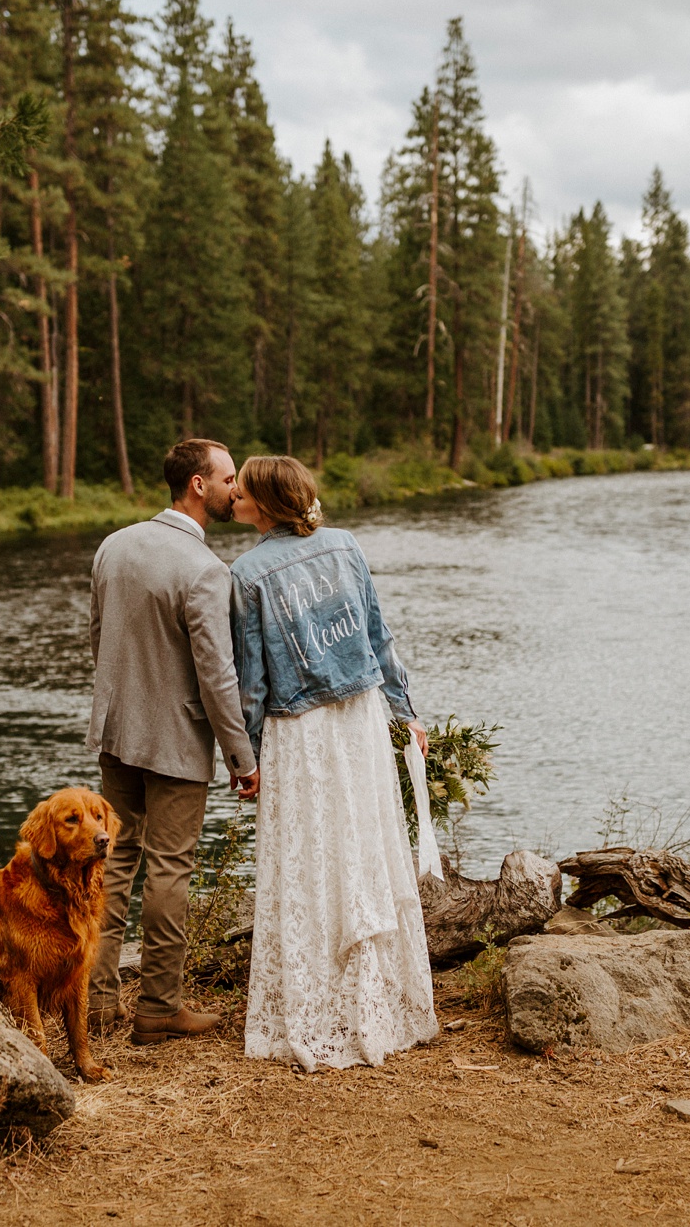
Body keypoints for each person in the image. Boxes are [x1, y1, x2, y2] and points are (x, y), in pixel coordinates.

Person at [228, 455, 439, 1071]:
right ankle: (377, 1007)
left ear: (263, 504)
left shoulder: (245, 574)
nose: (233, 495)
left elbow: (251, 681)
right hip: (363, 720)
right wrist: (406, 712)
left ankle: (321, 1009)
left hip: (302, 735)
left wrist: (247, 755)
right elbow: (379, 637)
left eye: (241, 490)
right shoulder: (345, 545)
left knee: (309, 861)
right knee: (366, 851)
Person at [86, 438, 260, 1047]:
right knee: (169, 868)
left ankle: (98, 1000)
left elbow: (98, 637)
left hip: (116, 732)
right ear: (197, 486)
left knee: (114, 862)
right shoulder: (205, 570)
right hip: (177, 742)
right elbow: (218, 676)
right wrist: (242, 757)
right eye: (227, 478)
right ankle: (158, 1007)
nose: (234, 489)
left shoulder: (114, 545)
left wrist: (115, 707)